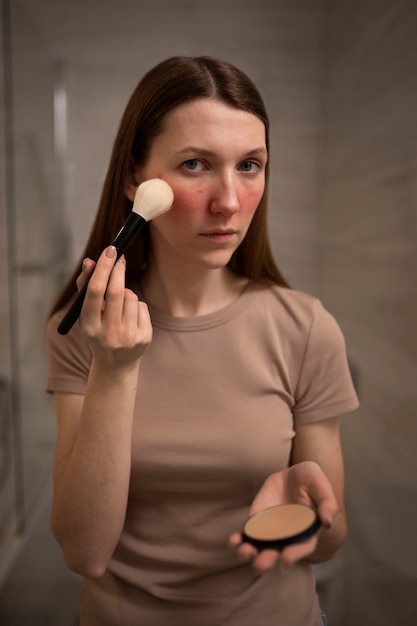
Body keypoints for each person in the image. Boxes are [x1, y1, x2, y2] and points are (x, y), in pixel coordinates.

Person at [45, 56, 359, 626]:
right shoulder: (84, 330)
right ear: (134, 180)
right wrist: (114, 370)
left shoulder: (307, 330)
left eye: (250, 165)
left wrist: (308, 513)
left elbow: (331, 544)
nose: (230, 201)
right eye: (195, 164)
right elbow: (83, 552)